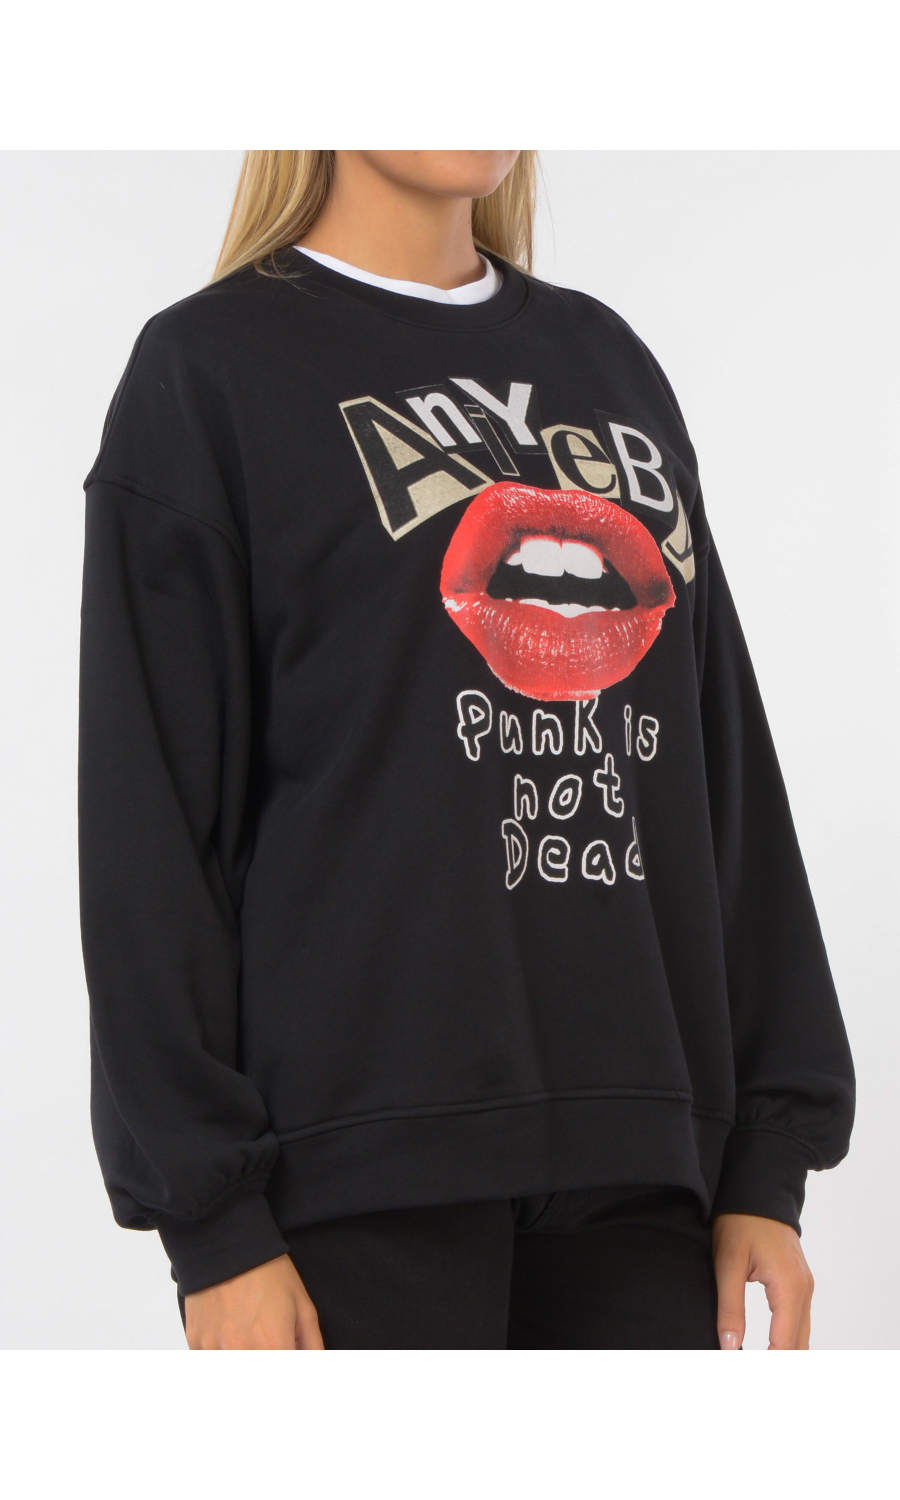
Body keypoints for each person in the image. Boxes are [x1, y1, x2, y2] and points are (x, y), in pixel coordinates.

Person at [78, 150, 854, 1350]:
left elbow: (721, 763)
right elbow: (150, 826)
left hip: (641, 1166)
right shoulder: (208, 371)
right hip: (351, 1180)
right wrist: (214, 1221)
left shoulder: (607, 361)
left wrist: (768, 1148)